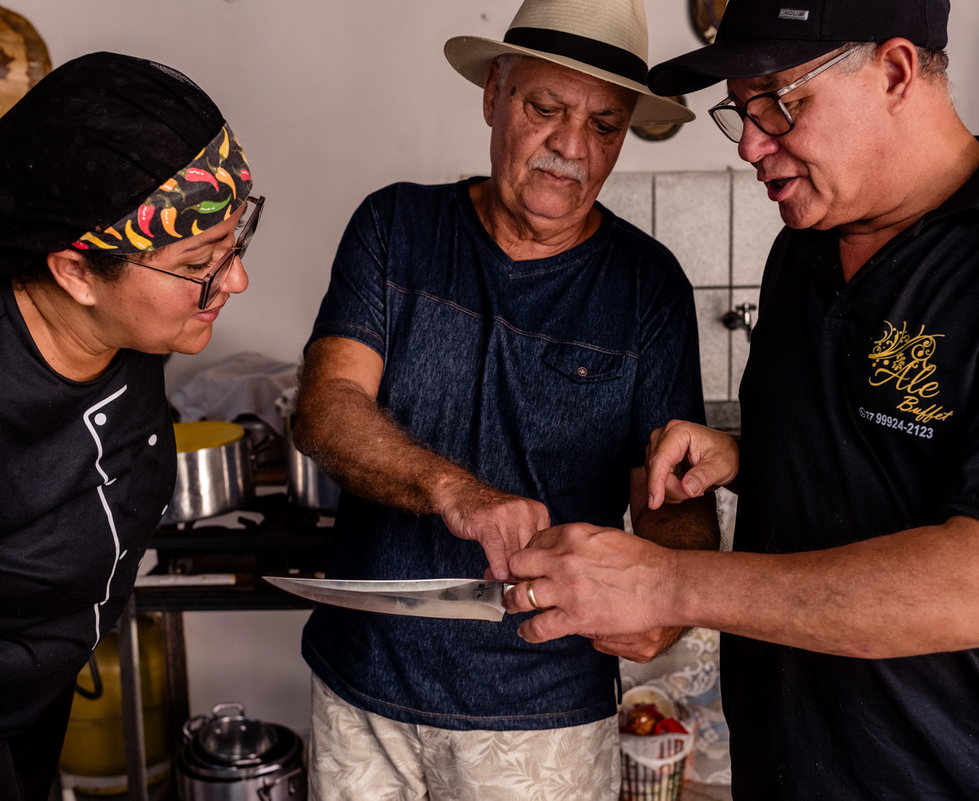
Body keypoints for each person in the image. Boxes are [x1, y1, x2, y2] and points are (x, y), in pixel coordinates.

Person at [502, 0, 979, 797]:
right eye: (740, 111)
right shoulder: (803, 247)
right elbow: (891, 451)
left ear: (895, 70)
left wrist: (665, 582)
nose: (751, 144)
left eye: (779, 103)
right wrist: (748, 456)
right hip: (784, 764)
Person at [291, 0, 716, 797]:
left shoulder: (647, 287)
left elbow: (670, 494)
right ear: (494, 93)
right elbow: (325, 407)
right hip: (361, 690)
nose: (570, 147)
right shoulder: (395, 227)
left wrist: (671, 595)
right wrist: (457, 490)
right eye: (544, 108)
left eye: (603, 125)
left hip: (542, 715)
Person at [0, 52, 263, 801]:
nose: (235, 280)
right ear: (73, 271)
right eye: (202, 259)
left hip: (34, 694)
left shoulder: (136, 324)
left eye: (237, 242)